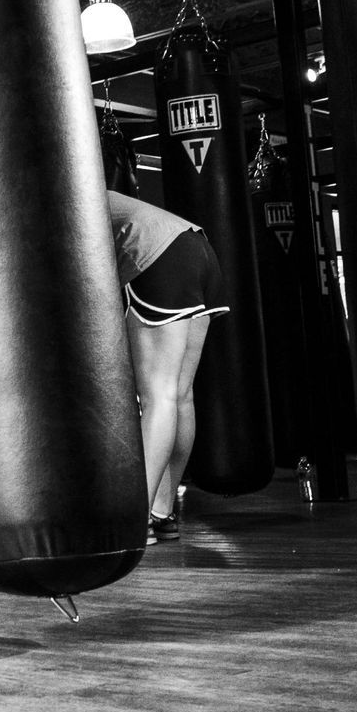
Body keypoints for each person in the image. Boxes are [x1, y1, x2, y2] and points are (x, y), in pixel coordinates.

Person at [108, 189, 229, 545]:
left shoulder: (50, 191)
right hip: (199, 249)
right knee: (178, 395)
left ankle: (134, 521)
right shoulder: (78, 179)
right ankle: (161, 512)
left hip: (159, 256)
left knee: (157, 396)